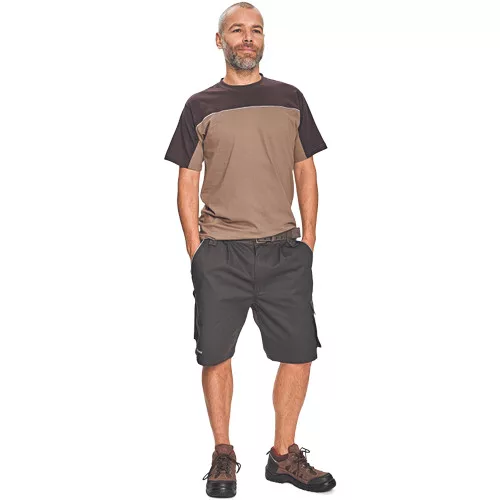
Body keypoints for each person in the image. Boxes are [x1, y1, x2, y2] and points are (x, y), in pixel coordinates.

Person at [164, 2, 336, 497]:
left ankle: (284, 456)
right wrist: (196, 249)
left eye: (255, 30)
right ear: (219, 41)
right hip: (221, 253)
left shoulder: (290, 98)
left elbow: (305, 168)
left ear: (263, 40)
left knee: (299, 353)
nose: (247, 38)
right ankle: (223, 454)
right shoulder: (200, 105)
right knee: (216, 355)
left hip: (284, 252)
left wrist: (309, 240)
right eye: (237, 30)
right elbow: (187, 177)